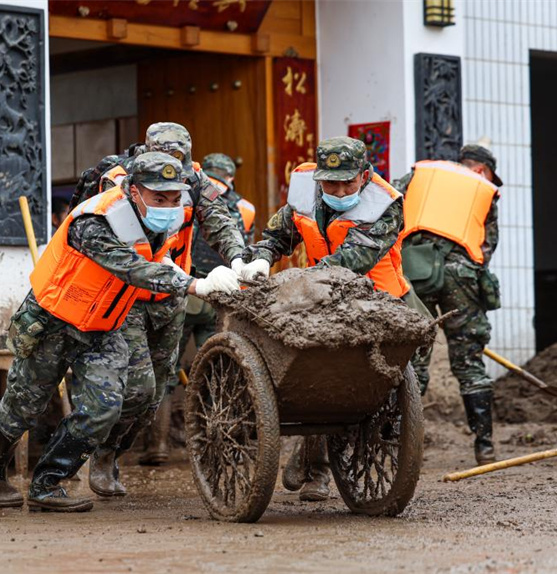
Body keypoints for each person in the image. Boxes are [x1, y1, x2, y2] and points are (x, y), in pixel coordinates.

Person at [0, 153, 240, 512]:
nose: (169, 206)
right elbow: (131, 268)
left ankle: (48, 482)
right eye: (159, 198)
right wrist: (193, 285)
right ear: (133, 190)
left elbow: (155, 259)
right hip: (55, 320)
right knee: (24, 405)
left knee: (104, 407)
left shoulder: (154, 222)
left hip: (104, 325)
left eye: (175, 199)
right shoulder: (95, 220)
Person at [239, 136, 411, 502]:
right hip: (317, 297)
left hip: (376, 301)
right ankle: (315, 467)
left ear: (364, 176)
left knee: (371, 386)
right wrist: (260, 258)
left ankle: (318, 461)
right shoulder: (304, 194)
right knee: (316, 373)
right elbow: (277, 236)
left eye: (345, 183)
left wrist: (296, 283)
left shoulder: (386, 205)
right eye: (329, 183)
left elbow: (353, 261)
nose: (336, 190)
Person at [85, 124, 248, 496]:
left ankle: (114, 449)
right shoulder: (117, 182)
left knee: (157, 390)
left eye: (178, 165)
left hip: (170, 300)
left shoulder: (196, 180)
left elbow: (219, 220)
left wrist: (239, 258)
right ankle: (104, 454)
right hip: (126, 297)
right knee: (139, 388)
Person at [393, 144, 502, 465]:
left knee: (413, 358)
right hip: (463, 277)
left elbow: (390, 208)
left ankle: (399, 443)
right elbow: (487, 245)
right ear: (481, 169)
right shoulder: (485, 189)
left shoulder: (420, 174)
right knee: (469, 361)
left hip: (416, 270)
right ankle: (485, 447)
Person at [177, 153, 257, 393]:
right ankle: (213, 424)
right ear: (231, 177)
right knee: (216, 368)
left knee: (167, 367)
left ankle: (162, 427)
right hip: (223, 295)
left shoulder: (182, 196)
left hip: (187, 289)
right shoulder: (246, 208)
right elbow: (248, 253)